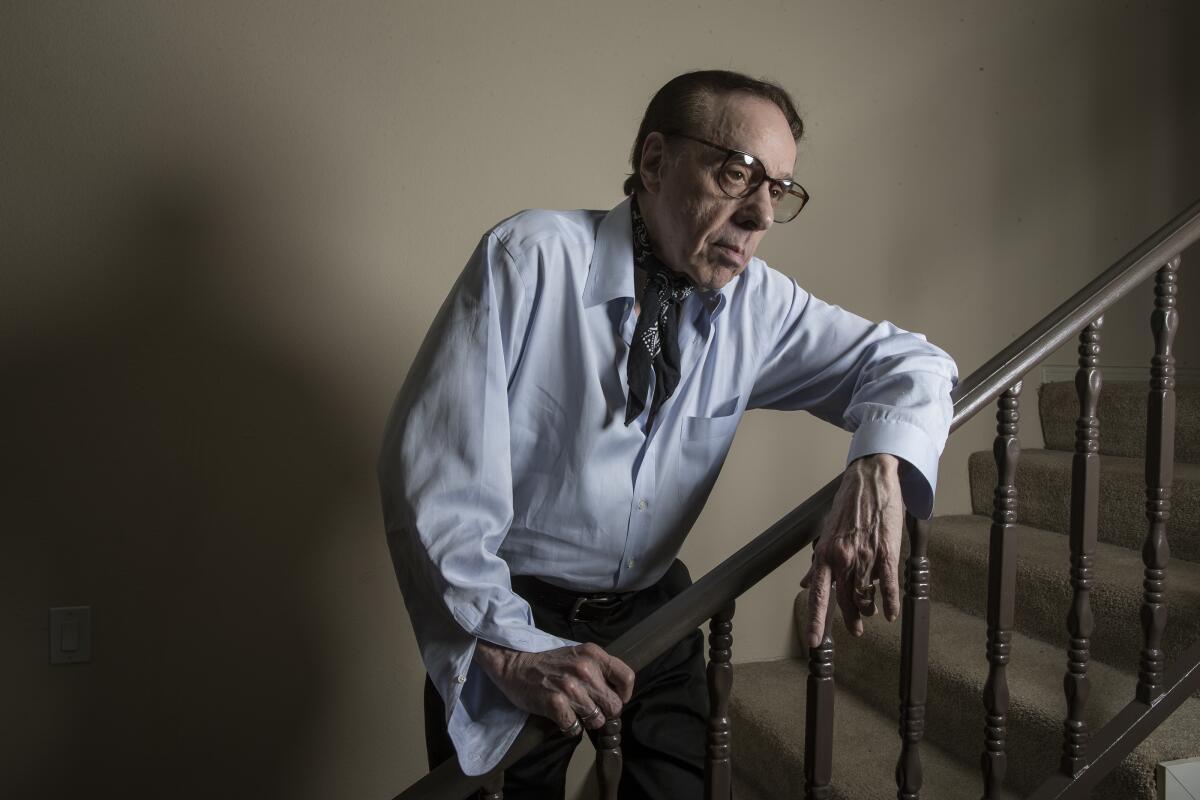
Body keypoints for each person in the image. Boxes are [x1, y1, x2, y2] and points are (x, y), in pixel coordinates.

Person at [377, 70, 957, 799]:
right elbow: (435, 475)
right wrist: (507, 648)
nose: (759, 216)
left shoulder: (759, 306)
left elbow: (915, 363)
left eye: (779, 189)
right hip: (512, 607)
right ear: (654, 163)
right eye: (737, 172)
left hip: (659, 610)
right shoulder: (530, 259)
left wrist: (876, 464)